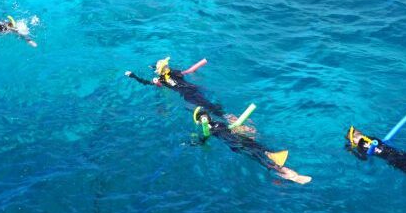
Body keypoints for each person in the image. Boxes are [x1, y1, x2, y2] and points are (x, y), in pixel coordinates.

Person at [124, 58, 311, 184]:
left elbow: (154, 82)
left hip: (196, 99)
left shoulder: (168, 78)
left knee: (254, 146)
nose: (204, 117)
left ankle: (279, 166)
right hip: (198, 96)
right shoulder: (171, 76)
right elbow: (176, 75)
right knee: (253, 150)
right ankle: (287, 174)